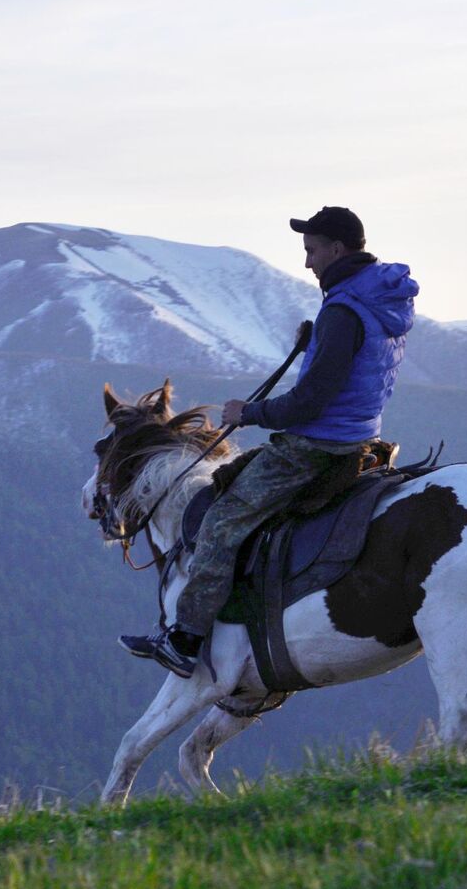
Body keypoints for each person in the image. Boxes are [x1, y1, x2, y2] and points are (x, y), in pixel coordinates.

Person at [121, 206, 419, 677]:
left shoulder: (344, 310)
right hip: (362, 437)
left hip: (318, 446)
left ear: (337, 249)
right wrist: (317, 340)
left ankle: (184, 640)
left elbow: (311, 401)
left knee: (222, 519)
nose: (307, 263)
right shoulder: (375, 298)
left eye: (312, 250)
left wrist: (250, 413)